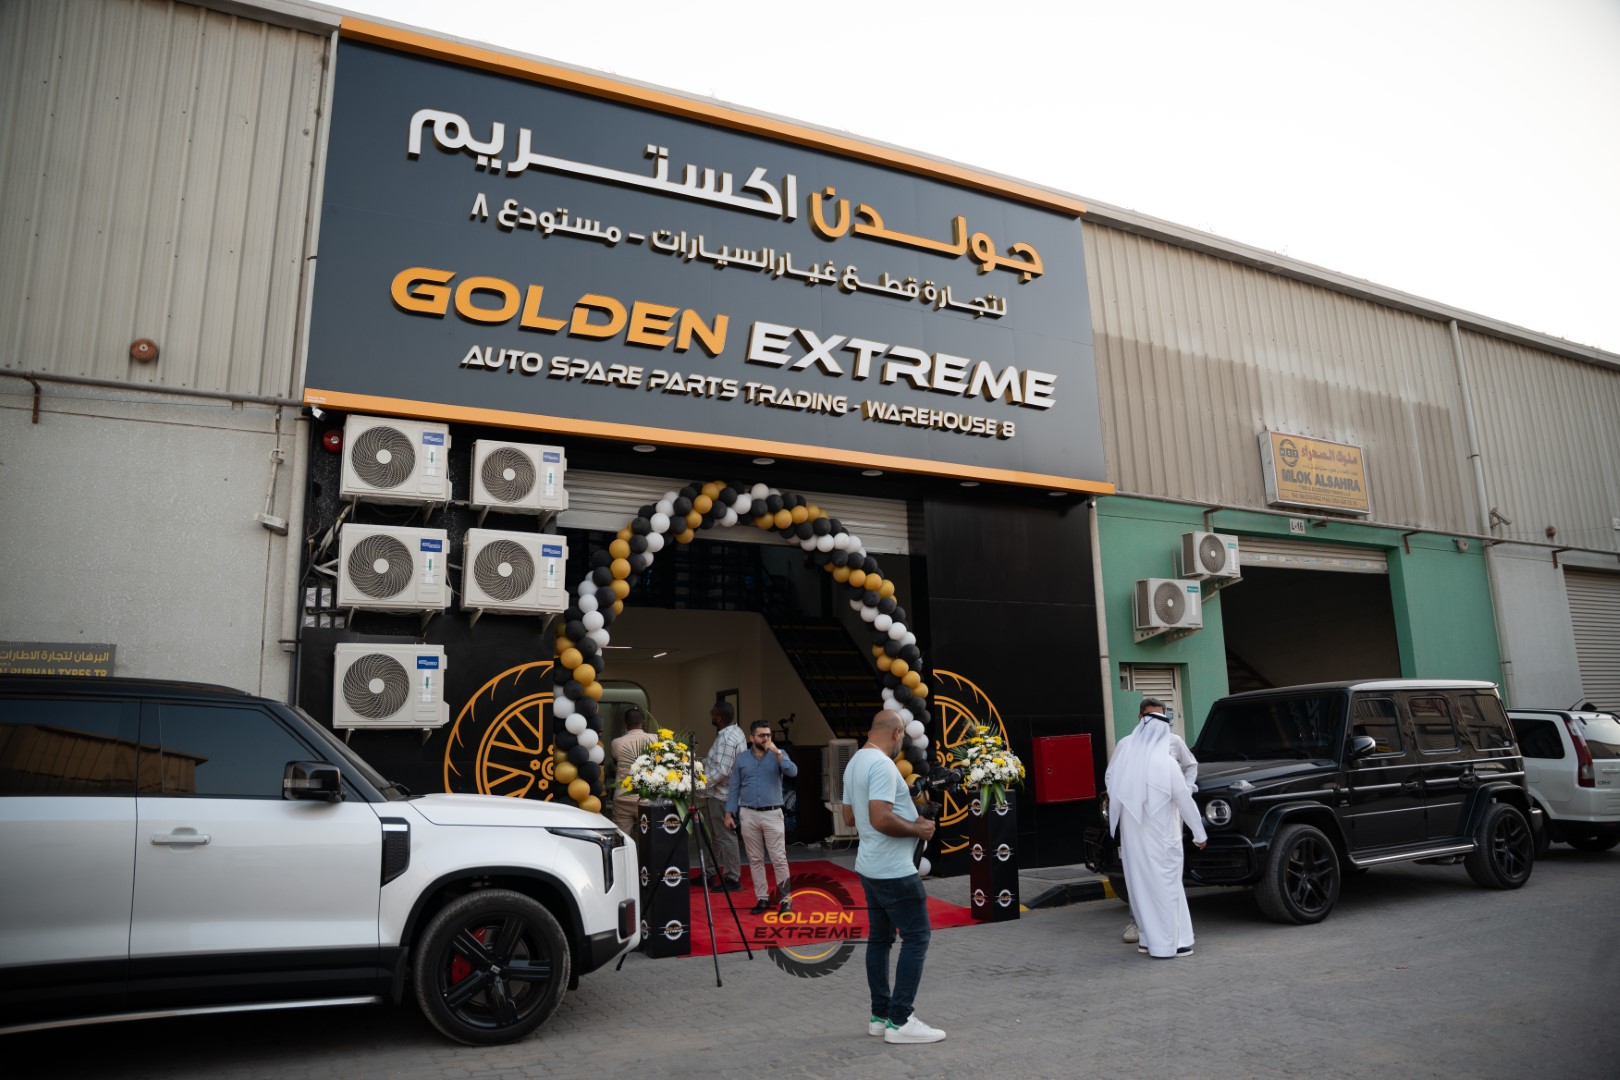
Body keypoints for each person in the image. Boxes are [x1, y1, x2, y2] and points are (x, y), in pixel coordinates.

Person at [841, 710, 945, 1045]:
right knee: (917, 938)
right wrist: (918, 828)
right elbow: (881, 818)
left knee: (880, 940)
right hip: (894, 870)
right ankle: (900, 1021)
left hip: (870, 866)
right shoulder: (883, 765)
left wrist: (904, 804)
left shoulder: (855, 762)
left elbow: (849, 817)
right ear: (898, 733)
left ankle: (880, 1016)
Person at [1105, 704, 1208, 959]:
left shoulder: (1126, 757)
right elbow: (1184, 800)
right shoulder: (1166, 763)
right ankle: (1174, 944)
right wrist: (1200, 834)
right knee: (1167, 887)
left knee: (1141, 889)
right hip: (1163, 839)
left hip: (1133, 840)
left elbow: (1111, 782)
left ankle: (1147, 940)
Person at [1122, 697, 1197, 946]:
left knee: (1163, 873)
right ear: (1140, 718)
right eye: (1150, 717)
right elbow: (1114, 779)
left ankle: (1166, 933)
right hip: (1140, 821)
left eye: (1161, 717)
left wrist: (1185, 790)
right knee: (1143, 873)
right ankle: (1143, 927)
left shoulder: (1173, 743)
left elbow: (1190, 767)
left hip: (1166, 818)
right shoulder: (1127, 745)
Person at [724, 720, 798, 914]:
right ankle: (762, 899)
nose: (766, 738)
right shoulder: (742, 759)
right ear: (752, 738)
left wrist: (777, 753)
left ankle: (785, 901)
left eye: (768, 735)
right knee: (755, 859)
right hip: (748, 813)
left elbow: (792, 771)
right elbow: (734, 787)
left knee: (779, 858)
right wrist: (729, 813)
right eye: (762, 735)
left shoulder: (779, 754)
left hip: (773, 813)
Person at [701, 699, 745, 891]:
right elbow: (718, 763)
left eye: (712, 712)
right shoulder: (736, 731)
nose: (710, 715)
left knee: (725, 836)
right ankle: (709, 874)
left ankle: (732, 878)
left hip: (722, 795)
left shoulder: (727, 738)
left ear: (719, 717)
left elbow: (722, 770)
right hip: (721, 793)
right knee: (715, 837)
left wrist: (699, 784)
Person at [608, 706, 656, 837]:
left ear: (626, 724)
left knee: (622, 838)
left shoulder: (616, 743)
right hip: (645, 798)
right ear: (643, 722)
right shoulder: (654, 739)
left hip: (622, 796)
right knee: (649, 838)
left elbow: (616, 762)